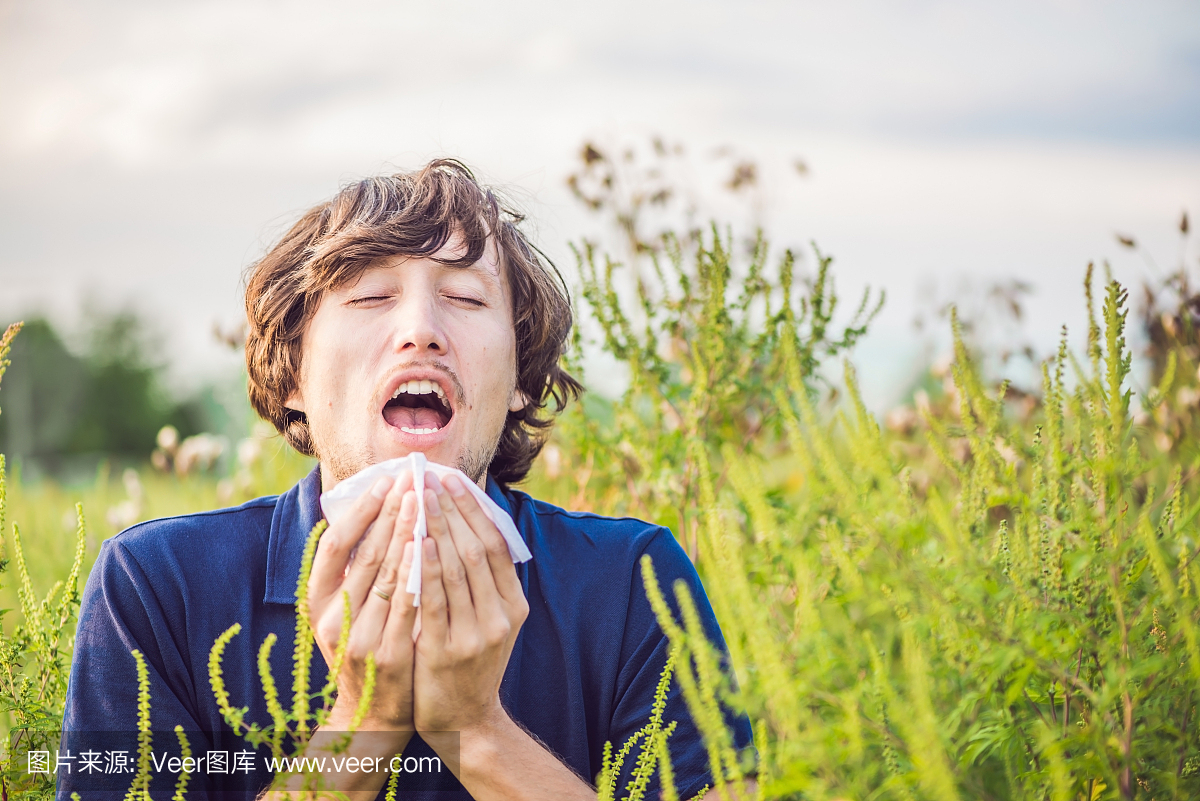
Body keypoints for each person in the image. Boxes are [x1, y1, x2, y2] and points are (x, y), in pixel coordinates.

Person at [60, 160, 753, 800]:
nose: (420, 329)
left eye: (467, 298)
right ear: (295, 375)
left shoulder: (634, 583)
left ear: (518, 378)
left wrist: (479, 730)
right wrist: (365, 721)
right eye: (369, 298)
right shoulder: (157, 584)